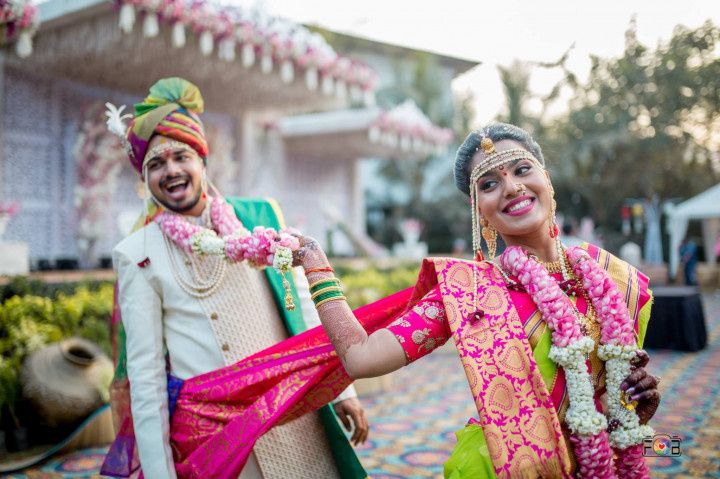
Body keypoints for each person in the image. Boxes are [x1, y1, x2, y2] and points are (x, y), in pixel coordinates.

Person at [291, 123, 660, 478]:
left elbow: (618, 414)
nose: (512, 187)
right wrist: (315, 263)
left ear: (545, 178)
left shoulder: (612, 276)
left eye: (522, 169)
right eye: (489, 183)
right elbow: (361, 356)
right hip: (505, 470)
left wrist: (636, 409)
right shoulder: (469, 292)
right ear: (478, 208)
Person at [100, 78, 368, 479]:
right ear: (145, 178)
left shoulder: (260, 217)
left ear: (202, 161)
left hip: (293, 410)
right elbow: (146, 376)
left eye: (181, 157)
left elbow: (306, 308)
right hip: (218, 436)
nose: (171, 171)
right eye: (156, 164)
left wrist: (342, 389)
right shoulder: (137, 253)